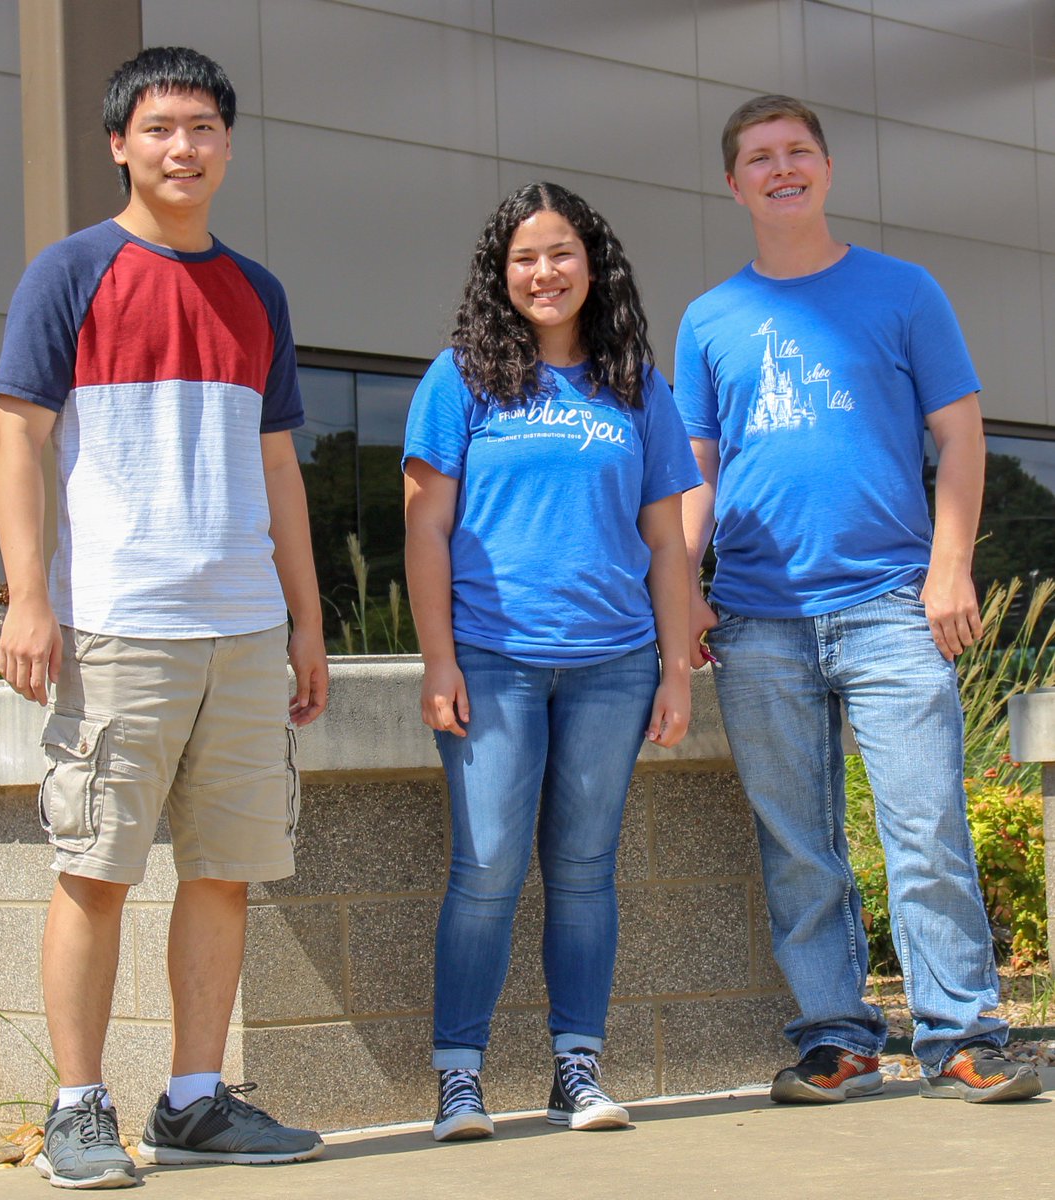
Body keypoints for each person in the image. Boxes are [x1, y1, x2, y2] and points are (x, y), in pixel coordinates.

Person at [0, 47, 329, 1189]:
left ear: (227, 145)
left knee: (224, 871)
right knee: (94, 867)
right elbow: (18, 437)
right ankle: (78, 1107)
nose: (182, 148)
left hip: (242, 627)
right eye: (160, 128)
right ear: (119, 144)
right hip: (117, 622)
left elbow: (281, 467)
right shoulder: (70, 271)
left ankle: (194, 1102)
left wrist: (306, 621)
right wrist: (28, 595)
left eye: (203, 129)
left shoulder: (260, 291)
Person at [675, 94, 1041, 1105]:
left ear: (826, 169)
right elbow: (696, 470)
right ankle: (837, 1039)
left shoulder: (903, 291)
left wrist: (950, 566)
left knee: (925, 827)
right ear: (734, 183)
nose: (780, 168)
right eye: (760, 157)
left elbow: (962, 438)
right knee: (799, 844)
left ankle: (964, 1037)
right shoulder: (710, 319)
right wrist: (687, 590)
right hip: (756, 616)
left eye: (797, 151)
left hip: (888, 601)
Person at [403, 181, 700, 1141]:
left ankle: (576, 1068)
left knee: (583, 871)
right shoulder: (460, 379)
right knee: (485, 868)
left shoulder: (634, 385)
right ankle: (460, 1079)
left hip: (614, 664)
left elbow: (666, 542)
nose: (544, 271)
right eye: (524, 257)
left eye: (561, 252)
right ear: (500, 275)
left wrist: (675, 667)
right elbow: (425, 530)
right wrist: (437, 659)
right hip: (492, 661)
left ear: (592, 263)